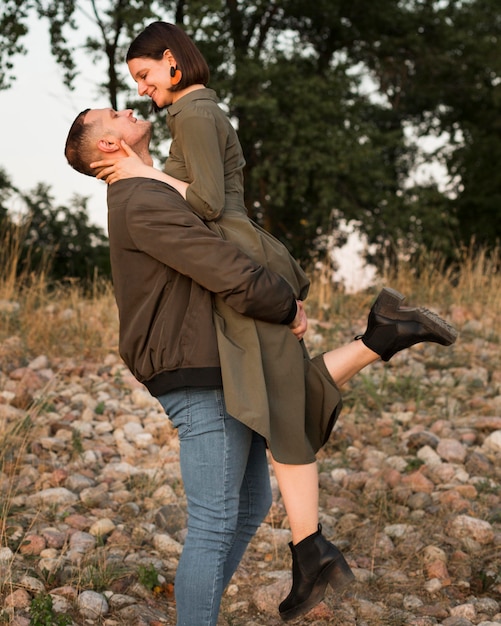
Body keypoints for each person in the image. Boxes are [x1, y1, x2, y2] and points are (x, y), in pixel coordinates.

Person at [68, 107, 457, 624]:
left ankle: (381, 336)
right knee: (213, 521)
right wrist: (284, 302)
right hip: (194, 372)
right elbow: (218, 263)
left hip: (215, 363)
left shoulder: (154, 187)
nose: (130, 108)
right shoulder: (139, 200)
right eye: (114, 114)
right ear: (109, 147)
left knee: (247, 507)